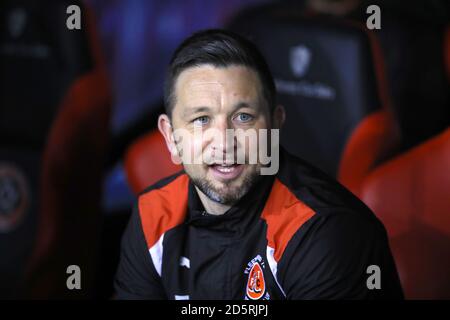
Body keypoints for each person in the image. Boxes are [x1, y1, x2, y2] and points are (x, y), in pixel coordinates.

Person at [114, 29, 403, 300]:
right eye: (201, 120)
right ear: (170, 137)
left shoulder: (326, 231)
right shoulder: (152, 217)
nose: (225, 143)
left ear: (275, 125)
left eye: (243, 117)